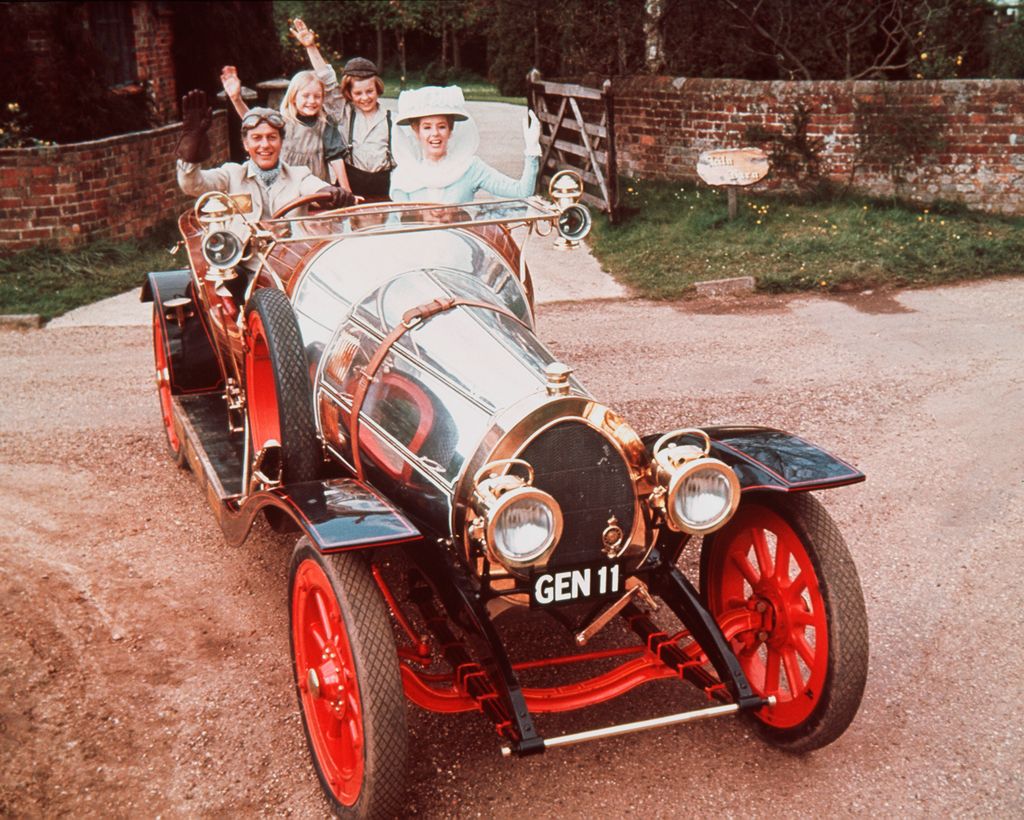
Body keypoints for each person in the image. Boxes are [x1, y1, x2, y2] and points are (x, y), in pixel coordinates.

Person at [175, 89, 353, 222]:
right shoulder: (231, 174)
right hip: (244, 263)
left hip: (289, 261)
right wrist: (189, 153)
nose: (265, 145)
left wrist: (332, 193)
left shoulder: (299, 175)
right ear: (246, 144)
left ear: (281, 142)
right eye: (256, 138)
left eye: (272, 137)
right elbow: (192, 185)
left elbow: (316, 189)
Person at [220, 21, 346, 186]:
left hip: (316, 190)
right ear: (293, 97)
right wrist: (236, 98)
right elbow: (251, 119)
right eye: (306, 96)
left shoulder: (325, 123)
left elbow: (336, 158)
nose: (311, 101)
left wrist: (347, 191)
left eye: (317, 96)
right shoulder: (281, 121)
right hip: (284, 190)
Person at [288, 18, 395, 200]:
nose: (365, 97)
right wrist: (311, 47)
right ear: (349, 94)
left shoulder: (391, 118)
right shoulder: (344, 113)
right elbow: (327, 81)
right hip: (351, 186)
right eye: (358, 93)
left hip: (385, 188)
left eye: (369, 91)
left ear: (378, 89)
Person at [389, 85, 541, 204]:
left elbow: (522, 191)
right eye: (427, 127)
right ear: (416, 132)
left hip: (460, 242)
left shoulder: (470, 167)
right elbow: (398, 226)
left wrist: (532, 150)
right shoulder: (404, 174)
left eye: (442, 126)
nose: (435, 133)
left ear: (450, 130)